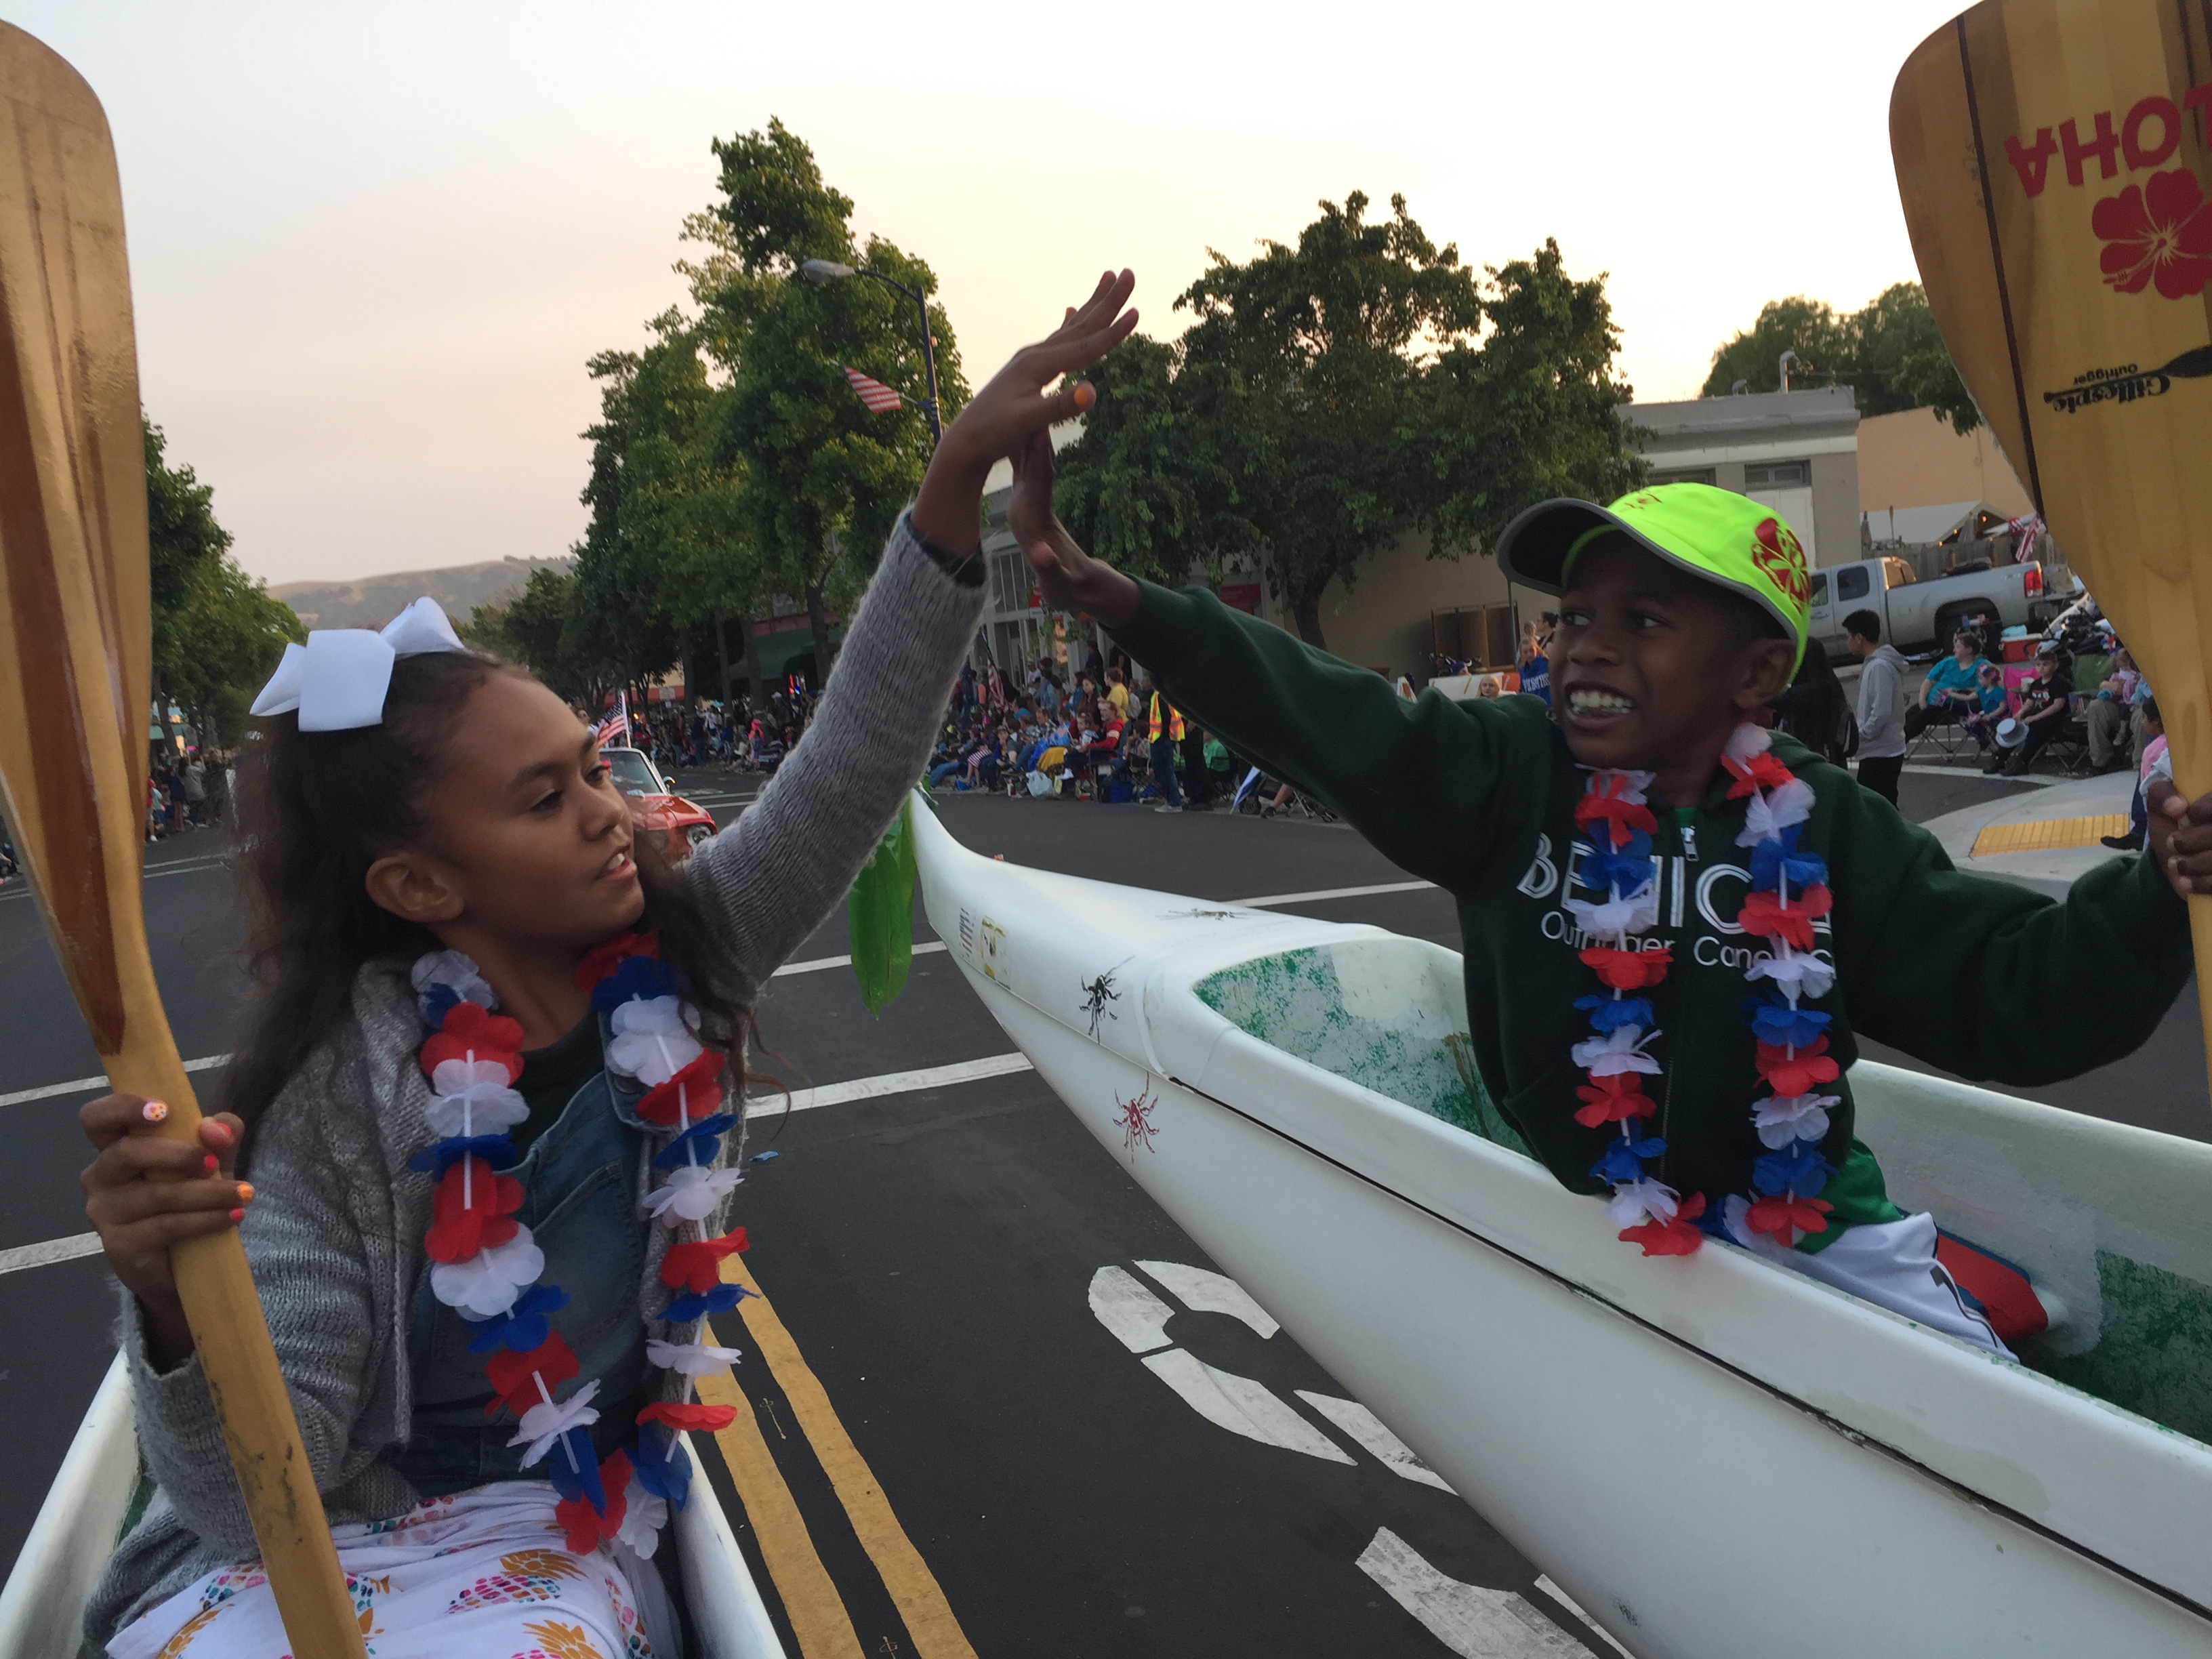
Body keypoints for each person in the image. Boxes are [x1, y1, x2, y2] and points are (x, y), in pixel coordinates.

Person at [76, 274, 1139, 1656]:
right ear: (417, 885)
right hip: (330, 1553)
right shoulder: (334, 1098)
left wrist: (950, 480)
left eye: (593, 766)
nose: (609, 810)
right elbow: (248, 1496)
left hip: (551, 1548)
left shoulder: (686, 952)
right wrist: (167, 1293)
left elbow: (851, 764)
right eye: (543, 797)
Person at [1012, 465, 2206, 1358]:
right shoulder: (1504, 776)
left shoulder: (1827, 827)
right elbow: (1332, 719)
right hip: (1595, 1227)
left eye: (1642, 622)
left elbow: (2011, 993)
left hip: (1813, 1232)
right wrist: (1133, 608)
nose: (1585, 645)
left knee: (1999, 1448)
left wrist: (2153, 890)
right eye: (1574, 615)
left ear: (1748, 677)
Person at [1844, 610, 1907, 806]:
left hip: (1881, 750)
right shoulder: (1876, 664)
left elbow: (1881, 712)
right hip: (1880, 749)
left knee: (1878, 807)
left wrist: (1861, 735)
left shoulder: (1879, 666)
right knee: (1882, 806)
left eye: (1849, 637)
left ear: (1860, 638)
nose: (1848, 642)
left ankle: (1895, 837)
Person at [1988, 644, 2072, 777]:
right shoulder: (2036, 684)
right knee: (2014, 728)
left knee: (2036, 729)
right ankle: (2001, 758)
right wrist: (2020, 714)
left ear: (2055, 666)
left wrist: (2035, 718)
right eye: (2038, 665)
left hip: (2055, 718)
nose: (2041, 668)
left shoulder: (2059, 683)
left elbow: (2058, 706)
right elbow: (2029, 703)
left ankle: (2022, 762)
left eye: (2046, 664)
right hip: (2036, 716)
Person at [1771, 638, 1849, 766]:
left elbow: (1773, 700)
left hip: (1811, 755)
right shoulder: (1829, 684)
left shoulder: (1806, 692)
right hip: (1833, 755)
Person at [1904, 628, 1993, 739]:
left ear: (1969, 650)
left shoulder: (1981, 665)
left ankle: (1900, 744)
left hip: (1954, 704)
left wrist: (1964, 692)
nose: (1954, 649)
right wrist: (1922, 699)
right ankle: (1895, 741)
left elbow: (1993, 681)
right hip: (1933, 700)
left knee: (1921, 718)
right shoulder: (1948, 662)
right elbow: (1928, 681)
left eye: (1958, 647)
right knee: (1908, 716)